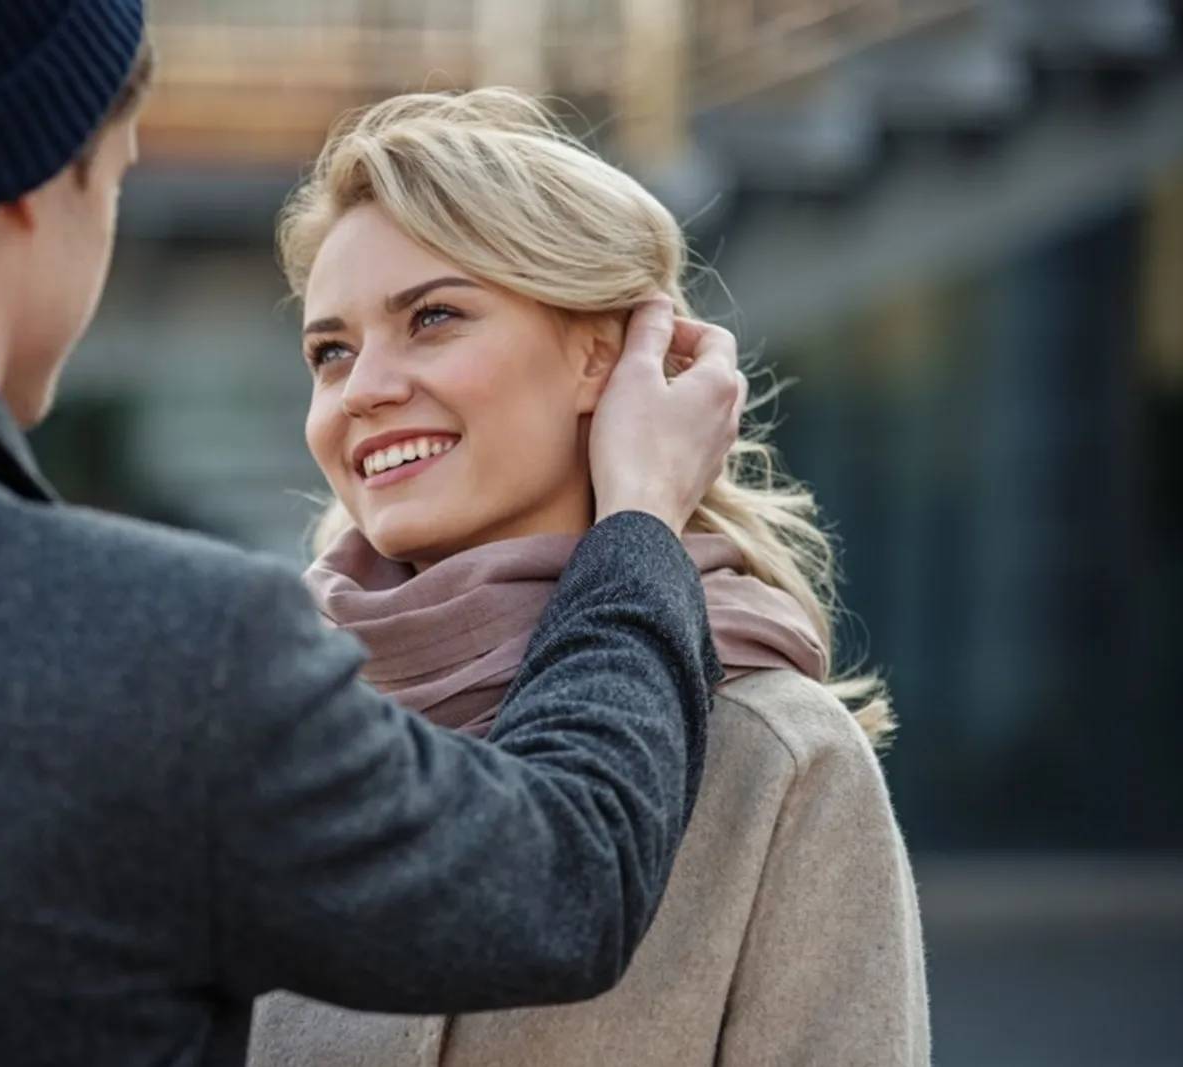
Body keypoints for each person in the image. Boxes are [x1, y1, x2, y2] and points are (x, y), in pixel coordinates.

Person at [0, 4, 753, 1067]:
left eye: (433, 317)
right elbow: (571, 873)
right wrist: (640, 518)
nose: (367, 387)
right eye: (116, 175)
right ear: (41, 181)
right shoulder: (174, 655)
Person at [246, 88, 931, 1067]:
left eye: (433, 316)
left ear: (604, 355)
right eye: (330, 351)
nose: (363, 389)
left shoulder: (778, 756)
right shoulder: (265, 730)